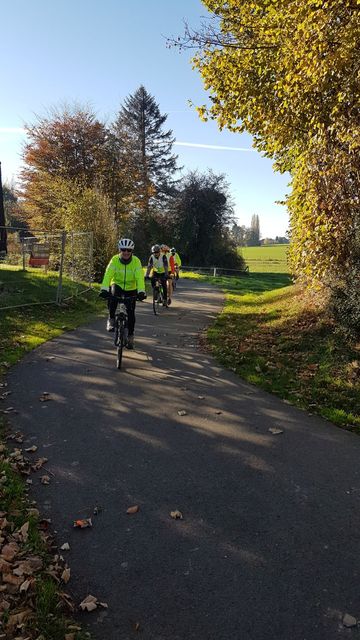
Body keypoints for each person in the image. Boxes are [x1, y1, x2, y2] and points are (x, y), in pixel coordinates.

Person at [99, 238, 146, 350]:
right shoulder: (114, 260)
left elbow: (139, 277)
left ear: (132, 251)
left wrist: (141, 291)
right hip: (117, 284)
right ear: (119, 250)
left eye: (128, 250)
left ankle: (130, 336)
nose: (126, 252)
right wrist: (104, 289)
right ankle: (111, 319)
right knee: (113, 297)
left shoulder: (136, 261)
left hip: (131, 288)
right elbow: (108, 275)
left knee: (131, 313)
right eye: (123, 249)